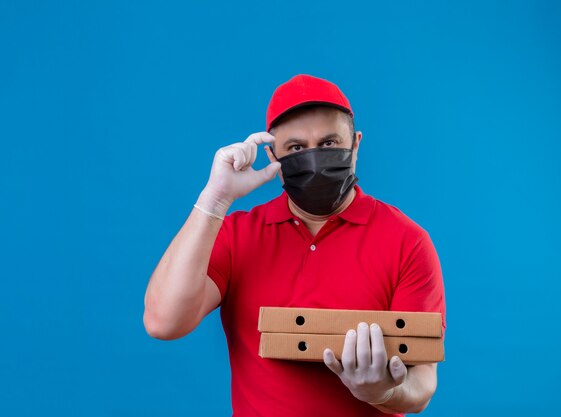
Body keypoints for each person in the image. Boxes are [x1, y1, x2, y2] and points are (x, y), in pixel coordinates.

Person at [143, 74, 447, 416]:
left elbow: (422, 384)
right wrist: (213, 201)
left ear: (356, 144)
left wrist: (382, 392)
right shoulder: (237, 234)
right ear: (274, 156)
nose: (314, 159)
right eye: (296, 149)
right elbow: (163, 322)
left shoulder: (406, 241)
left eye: (330, 143)